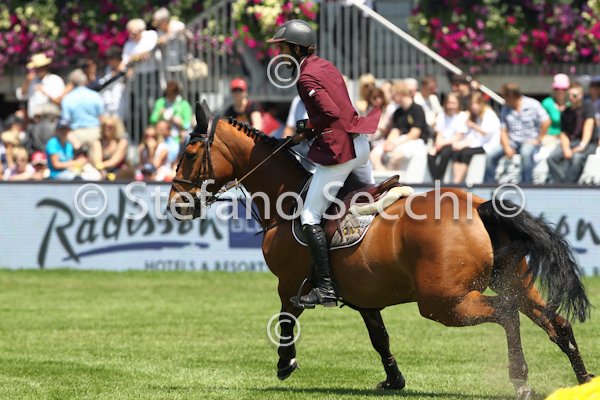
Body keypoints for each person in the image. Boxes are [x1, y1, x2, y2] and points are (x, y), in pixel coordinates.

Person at [267, 19, 381, 308]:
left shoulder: (305, 77)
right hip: (360, 144)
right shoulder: (325, 66)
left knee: (309, 216)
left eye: (283, 48)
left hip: (340, 153)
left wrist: (308, 127)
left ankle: (326, 288)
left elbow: (329, 112)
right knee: (370, 201)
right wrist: (307, 129)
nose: (280, 54)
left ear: (296, 49)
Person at [484, 83, 551, 184]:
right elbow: (503, 130)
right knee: (490, 156)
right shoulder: (505, 108)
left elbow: (546, 121)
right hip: (513, 142)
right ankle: (488, 184)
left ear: (512, 96)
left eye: (505, 97)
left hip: (530, 141)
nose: (504, 100)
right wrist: (506, 146)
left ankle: (527, 184)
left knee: (525, 153)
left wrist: (539, 139)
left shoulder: (532, 104)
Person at [370, 81, 427, 171]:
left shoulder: (417, 109)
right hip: (399, 141)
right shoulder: (397, 112)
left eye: (393, 96)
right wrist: (389, 142)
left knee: (395, 157)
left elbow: (415, 134)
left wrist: (394, 144)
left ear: (400, 94)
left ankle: (392, 179)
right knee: (374, 155)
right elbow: (395, 131)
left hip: (415, 142)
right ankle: (384, 176)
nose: (392, 99)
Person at [547, 83, 597, 183]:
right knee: (551, 158)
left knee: (577, 157)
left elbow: (588, 126)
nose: (571, 98)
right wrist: (566, 148)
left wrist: (582, 145)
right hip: (571, 142)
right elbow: (564, 133)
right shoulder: (565, 112)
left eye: (574, 95)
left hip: (588, 143)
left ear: (581, 95)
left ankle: (568, 185)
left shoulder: (587, 106)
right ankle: (563, 184)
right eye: (569, 95)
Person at [121, 18, 160, 140]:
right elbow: (125, 61)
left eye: (133, 32)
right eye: (130, 32)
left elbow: (151, 50)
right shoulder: (129, 44)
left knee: (154, 103)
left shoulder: (151, 35)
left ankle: (156, 131)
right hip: (138, 76)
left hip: (152, 73)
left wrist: (135, 57)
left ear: (141, 30)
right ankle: (145, 133)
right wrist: (137, 57)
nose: (131, 35)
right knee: (142, 105)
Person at [17, 53, 65, 151]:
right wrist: (27, 81)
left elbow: (60, 101)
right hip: (34, 122)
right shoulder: (31, 81)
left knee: (50, 149)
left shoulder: (55, 80)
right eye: (37, 68)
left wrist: (45, 92)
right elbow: (22, 95)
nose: (38, 70)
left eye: (40, 68)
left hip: (51, 122)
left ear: (46, 67)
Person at [451, 93, 500, 184]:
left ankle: (457, 182)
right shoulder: (476, 116)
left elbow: (486, 133)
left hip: (489, 145)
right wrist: (461, 144)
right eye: (472, 104)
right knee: (457, 153)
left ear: (482, 103)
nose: (474, 106)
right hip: (479, 143)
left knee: (466, 153)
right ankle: (456, 180)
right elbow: (473, 136)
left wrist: (472, 125)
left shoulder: (489, 114)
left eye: (476, 103)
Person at [61, 69, 105, 151]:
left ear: (72, 83)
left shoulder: (67, 98)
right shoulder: (95, 95)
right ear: (85, 81)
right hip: (95, 133)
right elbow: (101, 118)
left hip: (76, 135)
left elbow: (65, 122)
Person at [427, 92, 467, 181]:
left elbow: (459, 136)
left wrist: (441, 144)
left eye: (453, 103)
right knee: (430, 154)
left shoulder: (462, 116)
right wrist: (437, 145)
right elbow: (439, 133)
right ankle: (436, 180)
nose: (450, 106)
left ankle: (437, 180)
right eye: (449, 103)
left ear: (458, 104)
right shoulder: (441, 115)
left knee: (445, 153)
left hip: (454, 144)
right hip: (442, 143)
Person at [150, 80, 192, 162]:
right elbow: (152, 120)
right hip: (161, 137)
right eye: (168, 93)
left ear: (176, 93)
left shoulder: (184, 104)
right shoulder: (160, 102)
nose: (169, 96)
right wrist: (159, 114)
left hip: (177, 138)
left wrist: (179, 122)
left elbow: (187, 124)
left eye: (171, 93)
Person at [153, 7, 191, 81]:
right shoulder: (159, 31)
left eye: (159, 23)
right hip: (167, 64)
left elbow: (189, 39)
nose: (157, 25)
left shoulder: (179, 25)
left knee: (183, 84)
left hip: (181, 61)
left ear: (165, 20)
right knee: (170, 85)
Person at [99, 47, 127, 121]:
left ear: (117, 59)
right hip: (106, 104)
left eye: (111, 59)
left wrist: (121, 72)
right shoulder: (107, 69)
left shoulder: (125, 69)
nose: (109, 61)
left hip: (119, 104)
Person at [541, 73, 570, 145]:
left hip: (569, 138)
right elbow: (541, 123)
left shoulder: (571, 103)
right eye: (557, 89)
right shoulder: (547, 103)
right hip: (550, 137)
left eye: (564, 89)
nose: (560, 91)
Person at [414, 75, 443, 142]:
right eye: (431, 88)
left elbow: (439, 113)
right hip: (422, 128)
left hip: (434, 128)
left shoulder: (433, 98)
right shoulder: (416, 98)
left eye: (434, 87)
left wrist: (436, 122)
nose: (434, 90)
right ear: (423, 86)